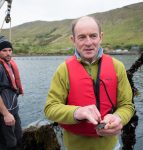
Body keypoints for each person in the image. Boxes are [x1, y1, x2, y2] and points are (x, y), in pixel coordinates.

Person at [44, 16, 135, 150]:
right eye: (82, 37)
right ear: (73, 40)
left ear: (101, 37)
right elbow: (50, 108)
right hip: (74, 146)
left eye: (93, 36)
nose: (88, 42)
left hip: (111, 146)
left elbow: (127, 105)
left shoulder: (118, 67)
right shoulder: (63, 70)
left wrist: (118, 117)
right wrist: (77, 112)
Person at [0, 36, 23, 150]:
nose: (8, 53)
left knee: (19, 138)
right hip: (4, 114)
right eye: (4, 50)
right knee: (9, 144)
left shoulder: (9, 64)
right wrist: (5, 114)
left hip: (14, 110)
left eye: (10, 50)